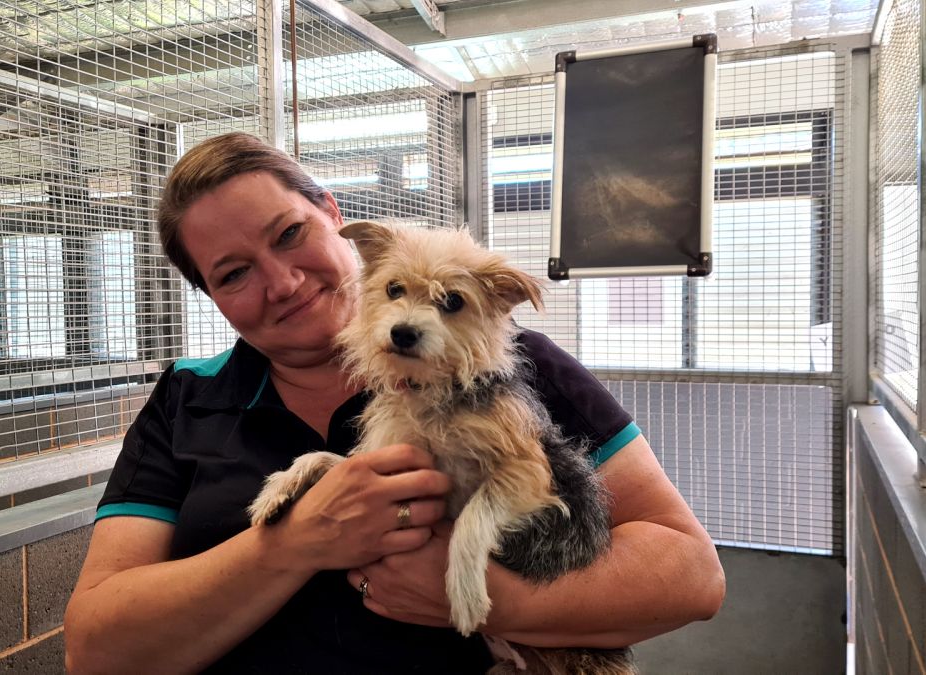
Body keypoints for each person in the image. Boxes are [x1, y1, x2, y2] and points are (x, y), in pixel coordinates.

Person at [63, 132, 725, 674]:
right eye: (233, 273)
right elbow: (95, 651)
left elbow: (692, 577)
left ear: (333, 214)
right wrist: (290, 545)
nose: (284, 282)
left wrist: (490, 599)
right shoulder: (186, 398)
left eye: (289, 233)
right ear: (211, 296)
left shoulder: (517, 367)